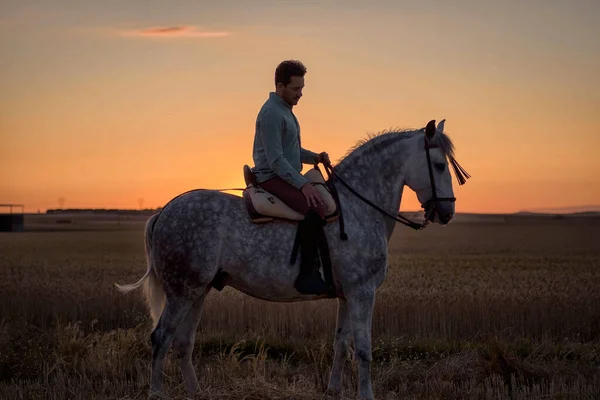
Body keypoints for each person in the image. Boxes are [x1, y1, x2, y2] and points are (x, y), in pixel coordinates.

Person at [251, 60, 333, 296]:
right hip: (270, 177)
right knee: (316, 205)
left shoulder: (284, 110)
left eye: (302, 88)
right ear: (280, 86)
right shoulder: (271, 114)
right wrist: (303, 184)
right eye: (296, 89)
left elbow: (292, 152)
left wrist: (316, 157)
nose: (300, 94)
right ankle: (306, 275)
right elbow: (276, 160)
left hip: (283, 174)